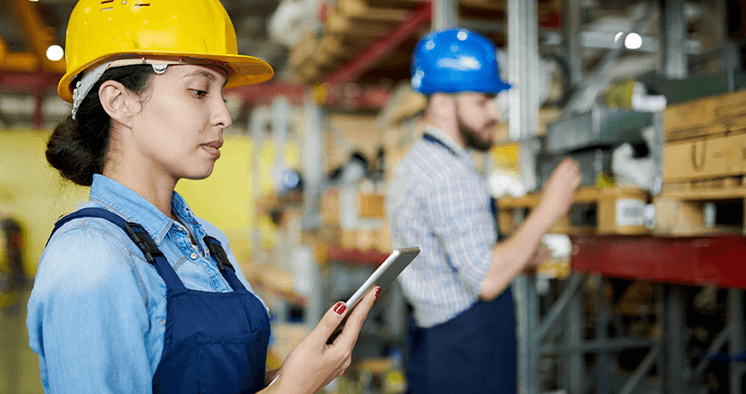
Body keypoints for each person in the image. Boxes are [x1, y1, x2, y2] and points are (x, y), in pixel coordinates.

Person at [26, 0, 380, 392]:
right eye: (198, 91)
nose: (224, 116)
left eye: (222, 95)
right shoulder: (90, 257)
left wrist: (295, 372)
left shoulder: (209, 243)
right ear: (119, 101)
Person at [385, 28, 581, 393]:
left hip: (443, 345)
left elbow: (456, 261)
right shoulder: (447, 174)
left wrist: (518, 257)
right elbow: (487, 280)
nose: (494, 113)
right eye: (482, 101)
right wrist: (551, 205)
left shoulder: (424, 162)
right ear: (442, 102)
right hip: (464, 356)